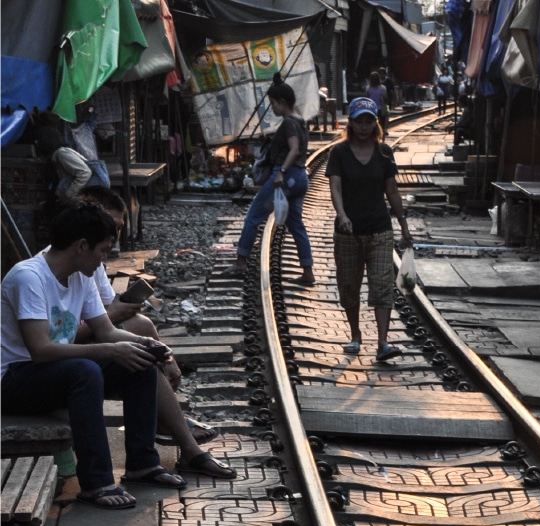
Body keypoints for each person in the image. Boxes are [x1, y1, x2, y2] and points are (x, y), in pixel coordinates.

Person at [1, 201, 181, 509]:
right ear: (81, 246)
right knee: (85, 370)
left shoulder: (79, 275)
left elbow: (107, 331)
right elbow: (40, 350)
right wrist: (111, 350)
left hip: (52, 373)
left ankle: (142, 463)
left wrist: (150, 345)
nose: (104, 260)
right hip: (14, 378)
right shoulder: (28, 277)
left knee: (139, 359)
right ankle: (96, 482)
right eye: (103, 251)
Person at [72, 186, 235, 480]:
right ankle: (181, 440)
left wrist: (159, 350)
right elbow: (52, 342)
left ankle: (152, 450)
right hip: (55, 363)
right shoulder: (43, 272)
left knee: (145, 344)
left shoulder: (89, 263)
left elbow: (104, 321)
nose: (114, 238)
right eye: (112, 229)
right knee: (133, 360)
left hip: (81, 345)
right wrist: (116, 339)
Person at [325, 97, 412, 361]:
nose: (363, 126)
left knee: (382, 284)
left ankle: (383, 342)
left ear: (375, 123)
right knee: (349, 285)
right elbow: (335, 187)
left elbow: (392, 190)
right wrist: (342, 215)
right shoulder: (338, 153)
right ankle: (355, 335)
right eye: (359, 121)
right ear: (350, 123)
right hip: (348, 232)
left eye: (368, 121)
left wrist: (403, 225)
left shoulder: (384, 152)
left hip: (379, 229)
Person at [228, 73, 315, 285]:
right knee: (296, 224)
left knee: (254, 215)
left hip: (286, 177)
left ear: (282, 102)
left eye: (273, 103)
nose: (273, 108)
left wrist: (281, 172)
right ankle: (308, 271)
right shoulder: (301, 121)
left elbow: (294, 149)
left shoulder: (288, 123)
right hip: (300, 177)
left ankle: (241, 261)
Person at [365, 71, 390, 136]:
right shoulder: (383, 88)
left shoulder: (368, 88)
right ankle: (384, 131)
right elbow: (385, 98)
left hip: (371, 109)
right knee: (385, 118)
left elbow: (367, 97)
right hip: (380, 108)